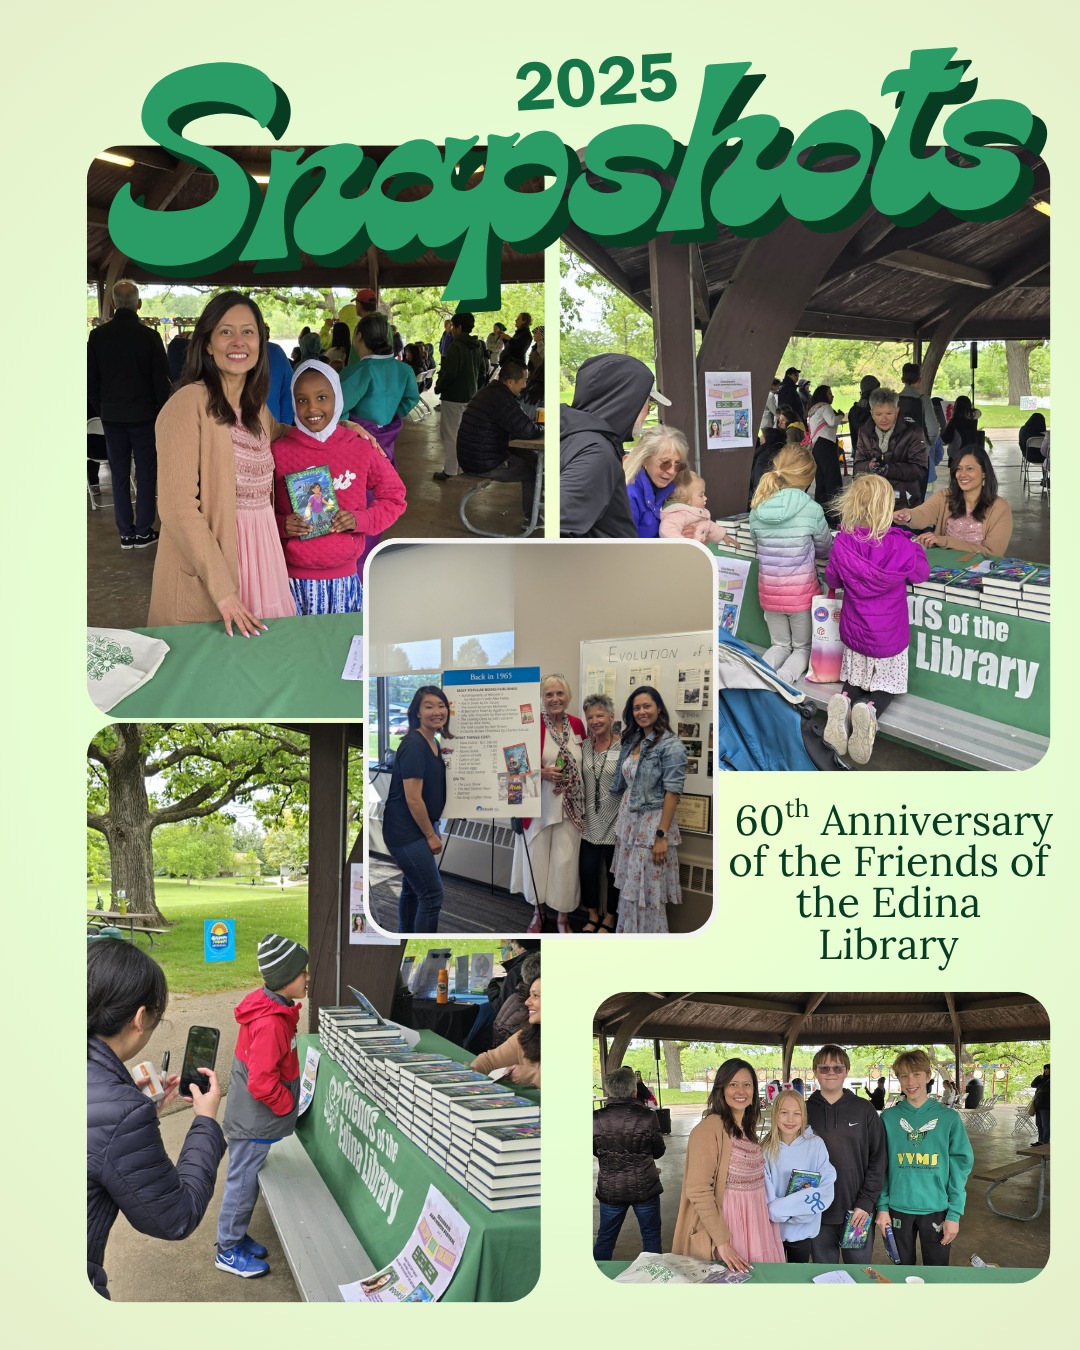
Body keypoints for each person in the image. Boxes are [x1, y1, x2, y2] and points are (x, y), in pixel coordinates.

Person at [148, 291, 300, 634]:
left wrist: (341, 428)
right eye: (225, 331)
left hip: (263, 557)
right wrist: (224, 590)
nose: (238, 341)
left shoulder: (255, 408)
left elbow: (281, 433)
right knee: (214, 676)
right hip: (214, 568)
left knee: (263, 667)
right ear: (207, 344)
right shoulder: (187, 404)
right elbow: (176, 508)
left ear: (261, 342)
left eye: (248, 331)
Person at [87, 940, 225, 1298]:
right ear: (139, 1017)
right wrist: (206, 1122)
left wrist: (128, 1097)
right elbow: (175, 1216)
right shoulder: (123, 1113)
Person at [272, 362, 406, 613]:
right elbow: (258, 510)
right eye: (301, 400)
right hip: (291, 581)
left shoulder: (360, 447)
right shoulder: (279, 452)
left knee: (340, 647)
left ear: (338, 398)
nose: (312, 407)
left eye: (322, 397)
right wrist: (282, 525)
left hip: (345, 579)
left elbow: (395, 498)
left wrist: (360, 520)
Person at [215, 934, 309, 1278]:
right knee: (242, 1181)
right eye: (303, 972)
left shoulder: (272, 1006)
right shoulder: (270, 1022)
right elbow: (261, 1080)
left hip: (252, 1118)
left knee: (245, 1177)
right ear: (285, 979)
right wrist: (287, 1105)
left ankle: (234, 1236)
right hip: (253, 1121)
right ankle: (227, 1249)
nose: (308, 977)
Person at [823, 474, 929, 764]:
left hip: (855, 633)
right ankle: (869, 712)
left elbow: (831, 577)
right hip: (889, 637)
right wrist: (916, 546)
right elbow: (920, 574)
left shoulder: (843, 541)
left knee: (856, 678)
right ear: (888, 508)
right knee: (885, 686)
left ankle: (844, 701)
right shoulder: (901, 545)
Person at [672, 1058, 784, 1270]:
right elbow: (698, 1189)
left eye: (747, 1084)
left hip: (756, 1224)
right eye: (733, 1084)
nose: (740, 1091)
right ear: (721, 1089)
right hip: (727, 1228)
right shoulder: (708, 1129)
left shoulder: (747, 1129)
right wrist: (722, 1242)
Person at [87, 279, 172, 550]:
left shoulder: (98, 336)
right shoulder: (149, 337)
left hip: (111, 417)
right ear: (139, 304)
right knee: (146, 474)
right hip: (144, 417)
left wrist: (103, 410)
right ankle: (144, 531)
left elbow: (91, 382)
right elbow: (162, 381)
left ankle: (126, 533)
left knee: (119, 473)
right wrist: (160, 413)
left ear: (112, 303)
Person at [875, 1049, 974, 1267]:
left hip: (937, 1208)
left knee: (937, 1272)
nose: (910, 1081)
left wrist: (954, 1214)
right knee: (902, 1271)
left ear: (929, 1076)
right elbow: (879, 1166)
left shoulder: (948, 1118)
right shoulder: (889, 1119)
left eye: (917, 1074)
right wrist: (882, 1207)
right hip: (897, 1208)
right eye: (903, 1075)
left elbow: (960, 1167)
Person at [748, 445, 833, 684]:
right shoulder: (811, 509)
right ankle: (783, 682)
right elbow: (825, 548)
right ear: (808, 477)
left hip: (769, 593)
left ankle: (758, 676)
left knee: (779, 645)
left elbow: (757, 542)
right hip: (802, 595)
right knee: (802, 648)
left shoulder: (757, 508)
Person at [560, 355, 670, 537]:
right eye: (647, 401)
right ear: (627, 400)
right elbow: (560, 526)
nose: (649, 410)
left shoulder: (580, 436)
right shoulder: (597, 452)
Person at [511, 674, 586, 934]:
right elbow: (514, 765)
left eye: (560, 694)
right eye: (549, 694)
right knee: (538, 861)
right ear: (541, 699)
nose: (555, 699)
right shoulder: (530, 724)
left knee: (566, 862)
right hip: (538, 806)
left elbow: (583, 762)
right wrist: (541, 773)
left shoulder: (577, 725)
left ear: (568, 697)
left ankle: (562, 917)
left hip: (571, 807)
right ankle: (538, 913)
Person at [610, 685, 687, 934]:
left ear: (659, 708)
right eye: (636, 708)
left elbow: (673, 792)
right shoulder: (633, 740)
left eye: (647, 706)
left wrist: (661, 835)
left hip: (652, 826)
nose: (642, 712)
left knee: (646, 892)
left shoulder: (671, 745)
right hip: (630, 824)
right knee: (630, 890)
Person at [806, 1044, 887, 1264]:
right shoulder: (803, 1111)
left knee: (859, 1272)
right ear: (815, 1072)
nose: (831, 1073)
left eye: (837, 1068)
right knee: (824, 1273)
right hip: (817, 1211)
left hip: (857, 1212)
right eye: (824, 1068)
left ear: (846, 1071)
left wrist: (866, 1202)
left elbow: (878, 1159)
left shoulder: (864, 1109)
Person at [380, 686, 452, 933]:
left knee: (412, 887)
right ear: (417, 712)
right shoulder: (414, 744)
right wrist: (430, 835)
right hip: (405, 831)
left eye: (441, 706)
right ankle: (420, 942)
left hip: (418, 827)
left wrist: (432, 827)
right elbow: (413, 799)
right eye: (429, 706)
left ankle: (405, 935)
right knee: (432, 897)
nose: (437, 711)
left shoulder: (432, 741)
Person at [456, 359, 544, 521]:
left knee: (528, 458)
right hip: (484, 464)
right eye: (523, 381)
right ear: (510, 382)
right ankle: (532, 518)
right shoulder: (503, 400)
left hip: (469, 458)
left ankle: (537, 505)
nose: (525, 386)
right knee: (534, 473)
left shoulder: (487, 392)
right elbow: (528, 431)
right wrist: (543, 428)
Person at [593, 1065, 666, 1260]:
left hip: (610, 1189)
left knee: (606, 1237)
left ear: (608, 1091)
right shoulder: (648, 1117)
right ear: (634, 1091)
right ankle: (652, 1278)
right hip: (645, 1188)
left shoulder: (595, 1118)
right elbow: (659, 1151)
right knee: (651, 1235)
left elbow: (594, 1150)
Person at [893, 447, 1013, 555]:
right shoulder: (944, 496)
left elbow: (993, 553)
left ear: (984, 473)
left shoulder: (1000, 507)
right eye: (959, 469)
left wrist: (943, 541)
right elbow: (923, 513)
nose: (962, 474)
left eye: (970, 469)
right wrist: (908, 515)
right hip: (944, 567)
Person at [762, 1089, 837, 1263]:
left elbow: (825, 1187)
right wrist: (783, 1211)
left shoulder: (816, 1145)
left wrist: (797, 1212)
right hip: (773, 1230)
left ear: (804, 1116)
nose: (790, 1119)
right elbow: (765, 1193)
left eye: (797, 1113)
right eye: (784, 1113)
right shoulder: (765, 1149)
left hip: (803, 1229)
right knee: (776, 1278)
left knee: (797, 1278)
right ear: (775, 1115)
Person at [340, 313, 420, 464]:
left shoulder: (358, 371)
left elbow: (336, 407)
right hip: (389, 433)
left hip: (360, 437)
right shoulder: (404, 369)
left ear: (358, 336)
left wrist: (348, 424)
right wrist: (390, 417)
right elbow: (412, 398)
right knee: (384, 473)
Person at [578, 694, 622, 933]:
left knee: (614, 875)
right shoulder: (584, 746)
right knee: (587, 871)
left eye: (600, 715)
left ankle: (610, 918)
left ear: (611, 717)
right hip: (589, 822)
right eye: (590, 717)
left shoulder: (624, 746)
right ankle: (593, 915)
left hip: (616, 821)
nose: (595, 720)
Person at [854, 386, 928, 509]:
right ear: (871, 414)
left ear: (897, 411)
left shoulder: (913, 432)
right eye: (878, 414)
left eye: (889, 413)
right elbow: (857, 466)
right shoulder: (864, 432)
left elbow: (919, 469)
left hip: (905, 503)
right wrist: (870, 466)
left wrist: (889, 468)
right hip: (873, 501)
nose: (884, 419)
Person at [433, 312, 487, 480]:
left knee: (449, 434)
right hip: (470, 395)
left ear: (459, 327)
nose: (451, 331)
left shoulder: (455, 347)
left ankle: (450, 470)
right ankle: (462, 466)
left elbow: (449, 373)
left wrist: (438, 386)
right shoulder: (477, 346)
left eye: (453, 327)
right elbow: (482, 372)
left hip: (453, 396)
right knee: (462, 433)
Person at [471, 975, 541, 1086]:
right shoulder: (526, 1036)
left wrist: (532, 1076)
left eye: (536, 996)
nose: (527, 1002)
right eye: (529, 995)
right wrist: (468, 1075)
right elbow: (490, 1061)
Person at [624, 424, 690, 538]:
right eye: (665, 463)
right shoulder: (628, 495)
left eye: (678, 465)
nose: (672, 471)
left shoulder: (676, 489)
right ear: (645, 459)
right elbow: (625, 549)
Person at [899, 362, 945, 489]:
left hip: (898, 455)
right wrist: (928, 444)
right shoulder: (924, 400)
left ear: (902, 379)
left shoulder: (894, 400)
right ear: (919, 380)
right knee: (922, 498)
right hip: (920, 453)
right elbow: (934, 429)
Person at [659, 470, 736, 543]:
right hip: (683, 553)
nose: (705, 498)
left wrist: (723, 536)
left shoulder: (696, 514)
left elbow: (709, 525)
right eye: (701, 495)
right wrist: (683, 544)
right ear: (684, 497)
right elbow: (667, 530)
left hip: (696, 551)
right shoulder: (677, 514)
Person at [805, 384, 846, 513]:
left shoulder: (813, 409)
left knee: (821, 479)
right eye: (830, 393)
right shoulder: (825, 407)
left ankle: (821, 510)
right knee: (832, 478)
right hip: (826, 444)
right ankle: (833, 511)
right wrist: (841, 416)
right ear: (823, 395)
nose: (832, 396)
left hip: (817, 446)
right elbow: (832, 421)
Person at [491, 949, 541, 1047]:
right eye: (534, 995)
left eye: (536, 995)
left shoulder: (516, 996)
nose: (527, 1002)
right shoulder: (526, 1025)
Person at [941, 395, 981, 465]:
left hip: (956, 455)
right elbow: (977, 412)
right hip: (971, 453)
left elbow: (945, 439)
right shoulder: (973, 419)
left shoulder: (954, 421)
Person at [846, 374, 881, 456]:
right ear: (875, 390)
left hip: (858, 454)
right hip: (874, 455)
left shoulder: (853, 410)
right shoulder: (876, 409)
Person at [1030, 1063, 1050, 1146]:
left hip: (1046, 1106)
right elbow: (1032, 1085)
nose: (1046, 1070)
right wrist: (1038, 1078)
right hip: (1038, 1105)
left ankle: (1045, 1142)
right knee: (1039, 1124)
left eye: (1048, 1069)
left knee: (1045, 1125)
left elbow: (1046, 1091)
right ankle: (1040, 1140)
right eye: (1045, 1069)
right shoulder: (1041, 1079)